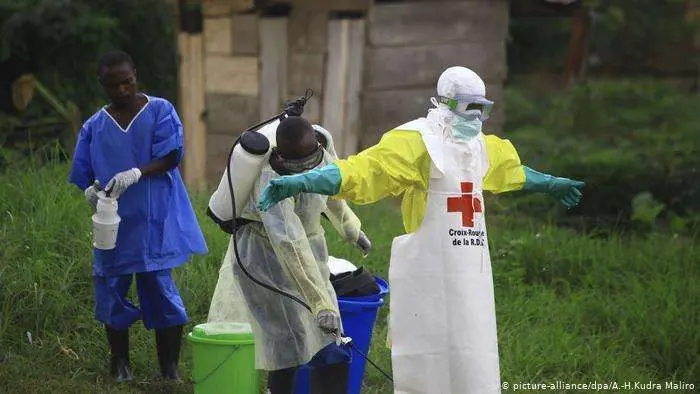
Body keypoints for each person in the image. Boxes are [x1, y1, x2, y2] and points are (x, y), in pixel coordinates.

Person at [258, 66, 585, 393]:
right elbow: (361, 171)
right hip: (427, 279)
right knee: (428, 362)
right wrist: (302, 180)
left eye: (482, 108)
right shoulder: (417, 142)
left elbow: (512, 172)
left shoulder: (481, 148)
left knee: (474, 354)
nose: (475, 118)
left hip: (471, 281)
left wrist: (550, 183)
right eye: (468, 107)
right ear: (445, 104)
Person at [68, 50, 208, 383]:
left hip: (153, 217)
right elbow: (84, 171)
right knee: (111, 289)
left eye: (127, 82)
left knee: (160, 290)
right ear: (101, 83)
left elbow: (171, 155)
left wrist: (137, 172)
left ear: (136, 75)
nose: (121, 91)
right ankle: (119, 365)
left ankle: (169, 369)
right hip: (113, 223)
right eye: (113, 85)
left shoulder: (160, 111)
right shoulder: (95, 126)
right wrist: (91, 189)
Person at [206, 116, 370, 394]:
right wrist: (321, 305)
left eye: (312, 160)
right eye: (299, 165)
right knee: (288, 343)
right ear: (281, 157)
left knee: (332, 342)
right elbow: (289, 243)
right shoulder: (270, 180)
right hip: (264, 260)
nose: (307, 169)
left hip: (311, 252)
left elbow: (330, 190)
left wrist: (351, 229)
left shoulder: (320, 148)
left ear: (318, 145)